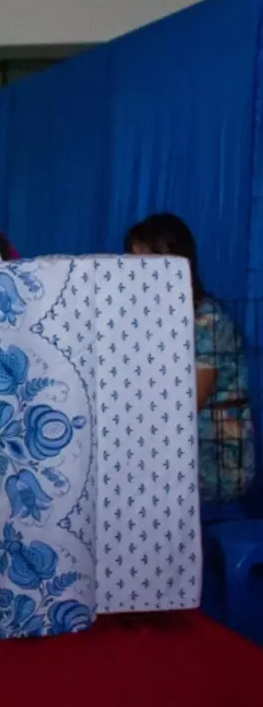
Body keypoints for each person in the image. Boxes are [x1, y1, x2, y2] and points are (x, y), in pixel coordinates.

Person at [125, 213, 255, 512]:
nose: (139, 274)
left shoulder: (206, 319)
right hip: (172, 452)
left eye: (150, 263)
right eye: (133, 263)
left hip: (214, 458)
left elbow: (189, 402)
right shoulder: (150, 317)